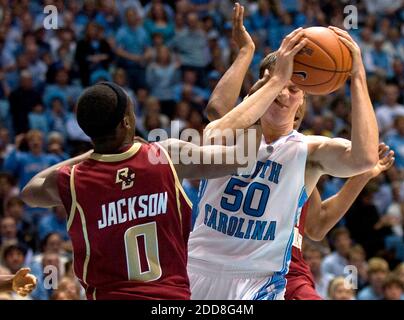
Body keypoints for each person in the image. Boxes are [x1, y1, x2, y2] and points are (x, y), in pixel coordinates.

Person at [19, 75, 288, 299]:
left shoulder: (75, 179)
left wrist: (90, 153)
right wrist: (263, 92)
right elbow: (242, 158)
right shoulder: (165, 156)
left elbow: (30, 191)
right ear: (126, 122)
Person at [188, 3, 378, 300]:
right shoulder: (233, 133)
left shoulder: (308, 150)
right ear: (258, 89)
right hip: (198, 266)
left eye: (293, 88)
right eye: (277, 83)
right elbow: (215, 124)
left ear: (303, 100)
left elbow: (365, 159)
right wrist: (255, 61)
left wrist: (357, 77)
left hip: (260, 280)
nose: (283, 93)